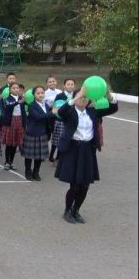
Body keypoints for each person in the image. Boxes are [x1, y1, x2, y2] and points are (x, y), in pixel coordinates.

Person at [54, 86, 118, 223]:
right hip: (72, 149)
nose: (83, 99)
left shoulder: (93, 111)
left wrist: (108, 95)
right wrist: (77, 96)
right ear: (75, 98)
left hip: (88, 150)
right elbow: (60, 111)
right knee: (74, 185)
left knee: (85, 185)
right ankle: (67, 211)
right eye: (81, 97)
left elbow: (113, 108)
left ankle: (76, 210)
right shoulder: (69, 112)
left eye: (85, 97)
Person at [22, 86, 51, 181]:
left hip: (42, 133)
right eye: (38, 93)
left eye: (42, 93)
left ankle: (36, 172)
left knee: (39, 155)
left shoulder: (47, 106)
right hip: (32, 133)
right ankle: (28, 171)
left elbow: (49, 118)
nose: (40, 95)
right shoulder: (31, 106)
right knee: (29, 155)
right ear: (34, 95)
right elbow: (39, 117)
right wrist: (52, 113)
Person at [0, 83, 26, 170]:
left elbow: (26, 107)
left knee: (15, 143)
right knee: (9, 144)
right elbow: (8, 106)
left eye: (17, 88)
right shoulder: (8, 98)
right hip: (10, 122)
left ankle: (11, 161)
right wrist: (18, 102)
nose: (16, 89)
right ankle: (7, 161)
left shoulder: (21, 98)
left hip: (19, 120)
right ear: (10, 90)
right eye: (14, 88)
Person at [49, 78, 75, 163]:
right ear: (64, 86)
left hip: (70, 121)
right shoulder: (60, 95)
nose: (70, 86)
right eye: (68, 84)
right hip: (60, 120)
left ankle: (58, 157)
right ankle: (51, 155)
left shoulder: (75, 96)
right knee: (56, 140)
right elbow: (55, 107)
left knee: (65, 139)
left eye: (72, 84)